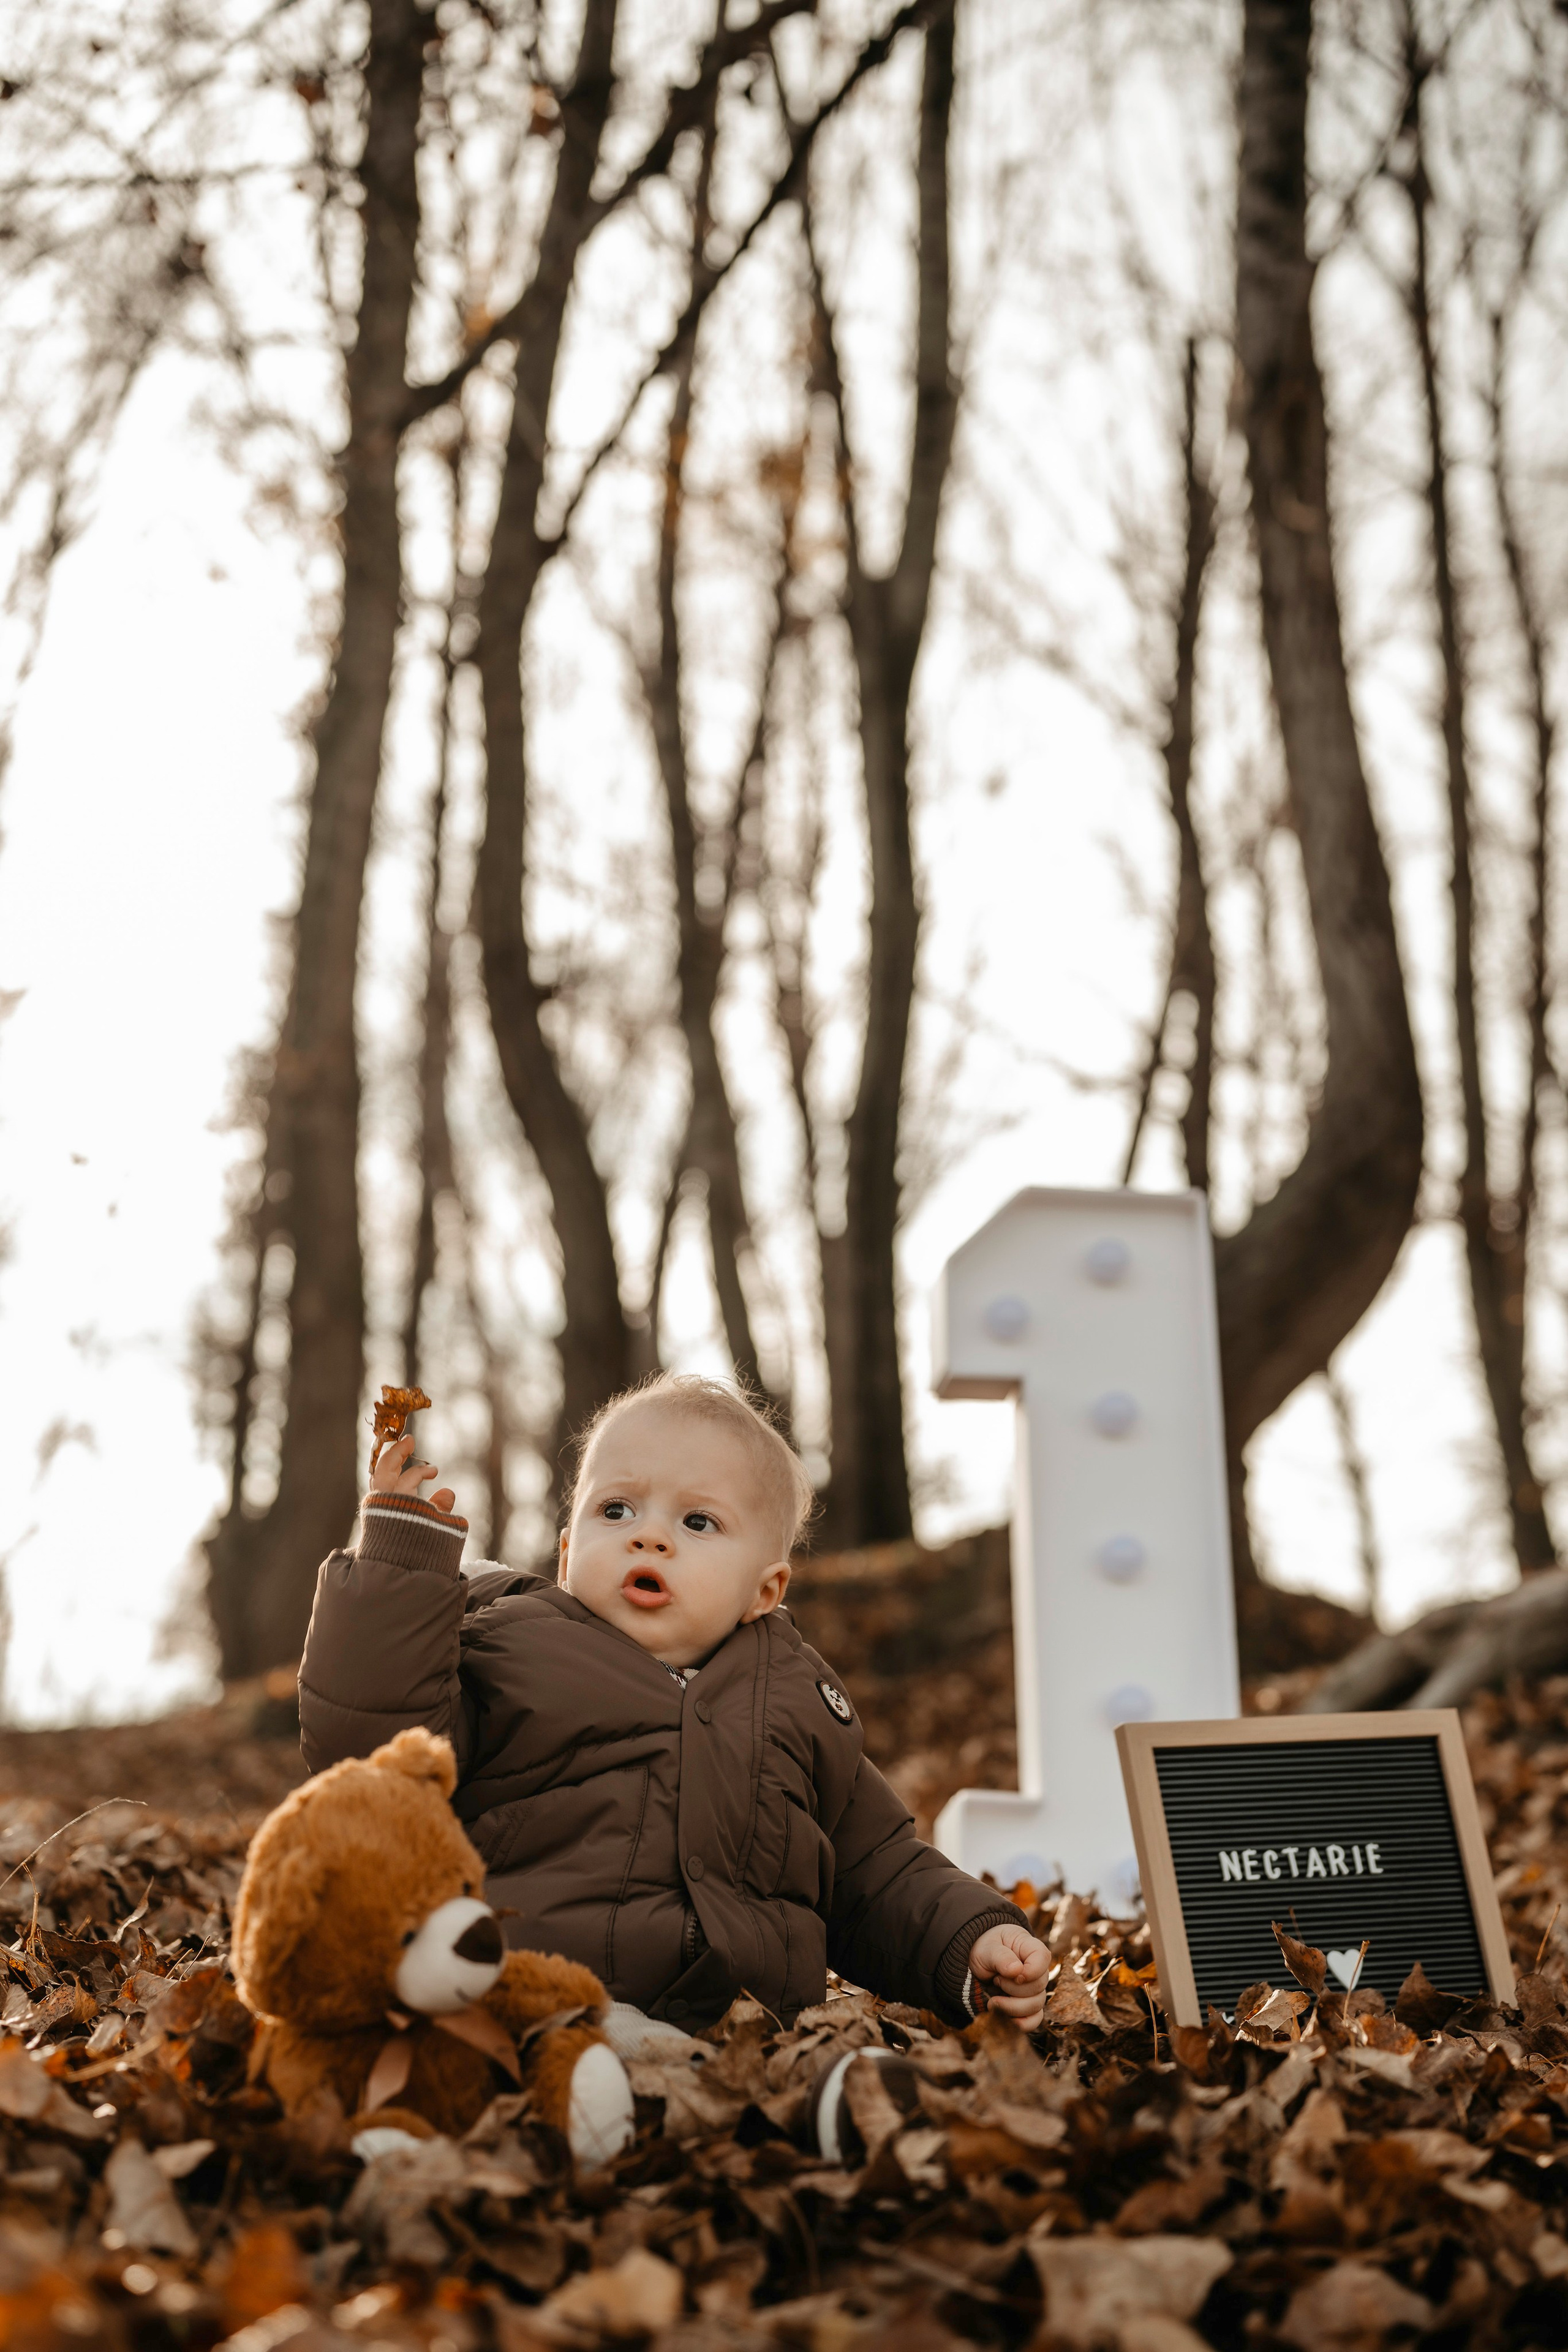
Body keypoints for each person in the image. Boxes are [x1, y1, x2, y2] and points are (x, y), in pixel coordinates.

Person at [298, 1372, 1050, 2034]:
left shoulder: (798, 1704)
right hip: (530, 2000)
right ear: (567, 1553)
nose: (649, 1538)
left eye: (697, 1523)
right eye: (616, 1511)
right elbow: (375, 1758)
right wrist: (396, 1565)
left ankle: (839, 2111)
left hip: (747, 2042)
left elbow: (874, 1872)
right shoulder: (509, 1648)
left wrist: (966, 1942)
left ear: (764, 1591)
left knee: (836, 2078)